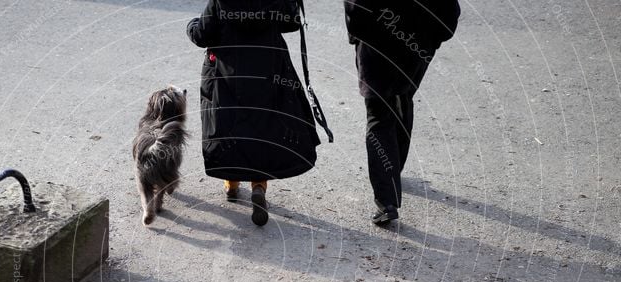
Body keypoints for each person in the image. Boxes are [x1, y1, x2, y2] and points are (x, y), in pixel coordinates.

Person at [187, 0, 326, 226]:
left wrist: (191, 25)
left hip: (229, 74)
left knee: (229, 125)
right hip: (268, 70)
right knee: (263, 128)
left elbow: (202, 34)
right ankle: (259, 186)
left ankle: (231, 183)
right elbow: (292, 22)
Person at [344, 1, 461, 224]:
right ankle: (394, 169)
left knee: (379, 112)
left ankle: (387, 198)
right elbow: (449, 11)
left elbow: (356, 7)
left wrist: (356, 34)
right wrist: (434, 39)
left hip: (376, 41)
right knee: (401, 97)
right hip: (417, 42)